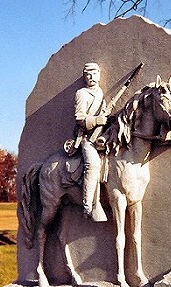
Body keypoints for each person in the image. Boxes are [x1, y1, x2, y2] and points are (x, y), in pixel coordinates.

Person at [74, 62, 107, 220]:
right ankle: (88, 205)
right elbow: (79, 118)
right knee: (92, 165)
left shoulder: (100, 93)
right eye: (88, 74)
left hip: (102, 137)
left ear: (99, 75)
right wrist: (96, 120)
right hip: (87, 138)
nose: (91, 77)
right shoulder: (81, 93)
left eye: (94, 73)